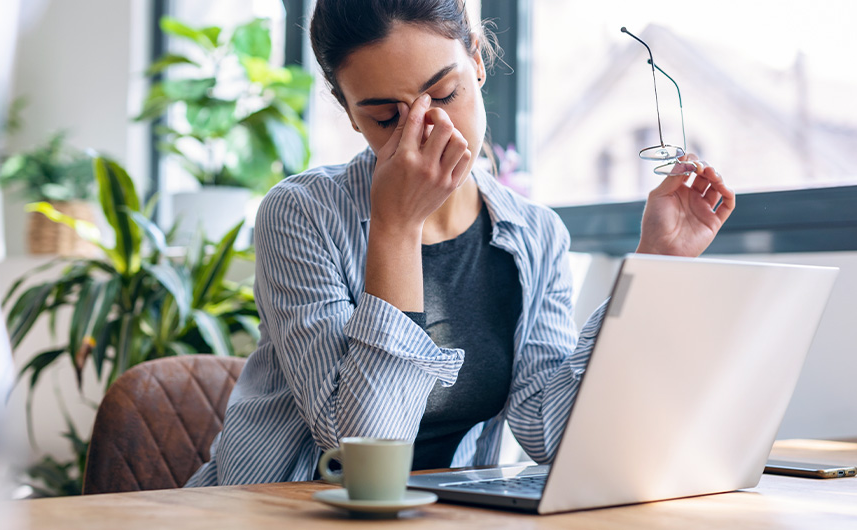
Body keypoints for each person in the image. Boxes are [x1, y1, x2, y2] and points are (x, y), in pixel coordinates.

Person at [186, 0, 734, 487]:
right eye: (385, 118)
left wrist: (655, 266)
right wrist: (396, 229)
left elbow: (551, 430)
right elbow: (360, 456)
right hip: (273, 513)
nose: (429, 132)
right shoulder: (303, 214)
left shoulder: (536, 236)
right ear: (349, 113)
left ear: (477, 57)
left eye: (444, 94)